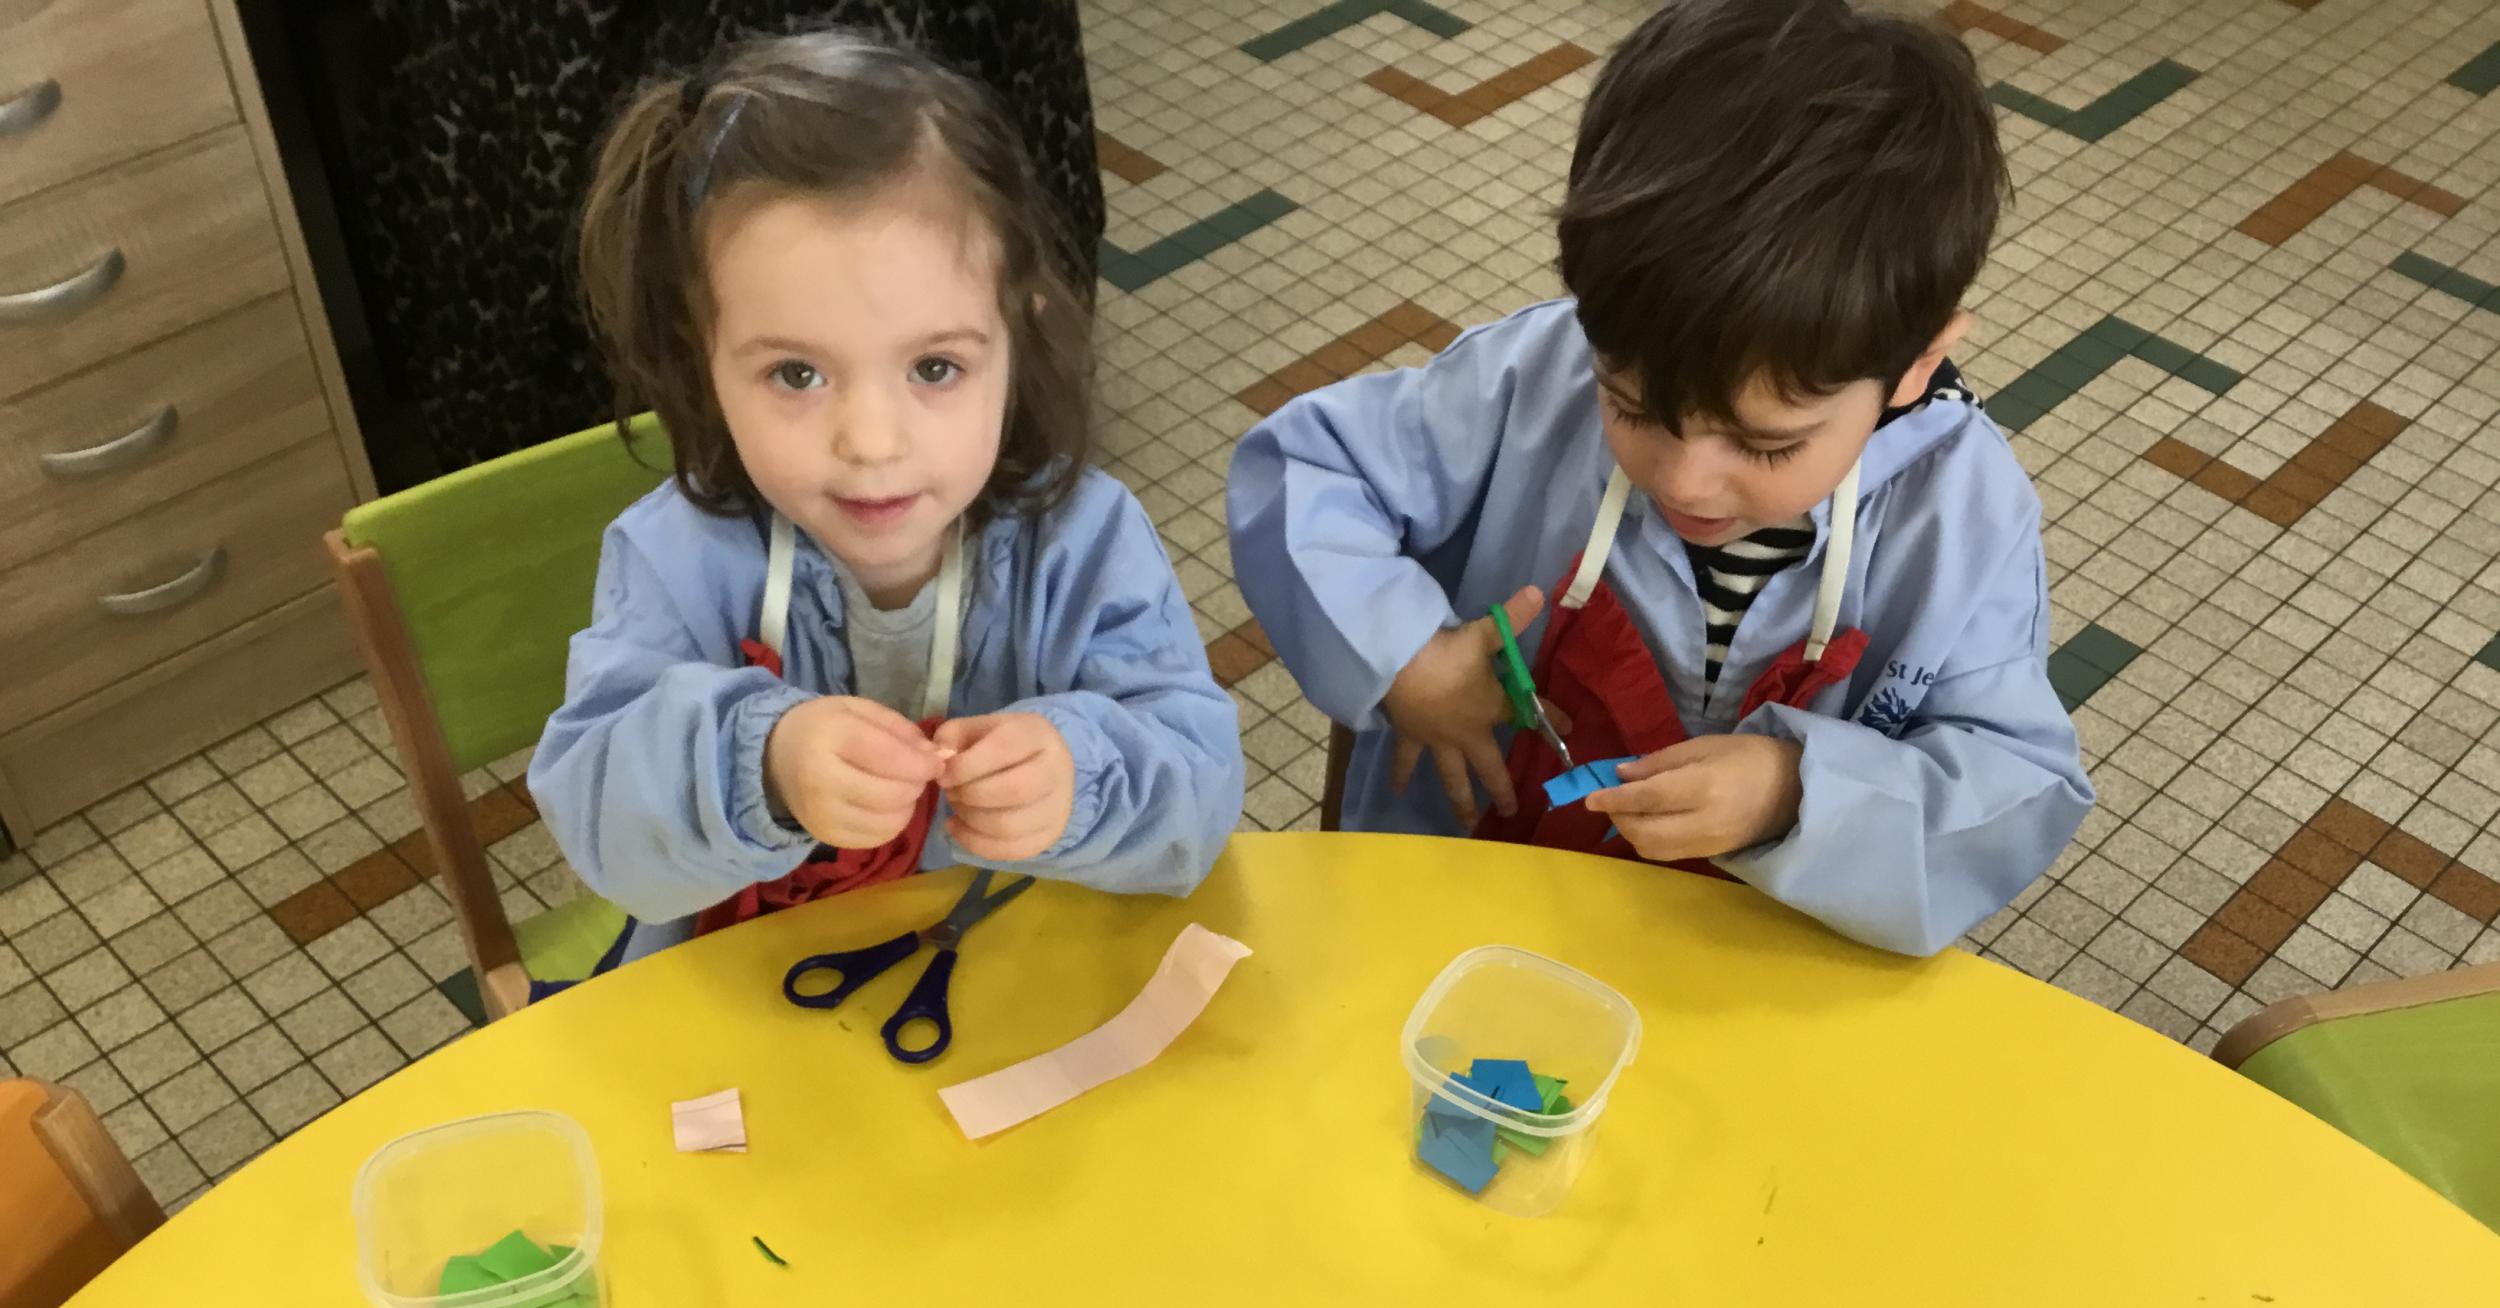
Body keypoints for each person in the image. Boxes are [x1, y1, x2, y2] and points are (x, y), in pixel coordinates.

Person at [1227, 0, 2090, 957]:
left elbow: (2014, 782)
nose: (1685, 482)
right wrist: (1403, 656)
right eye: (1631, 408)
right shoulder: (1527, 379)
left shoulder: (1963, 514)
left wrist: (1796, 792)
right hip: (1451, 913)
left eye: (1765, 446)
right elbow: (1301, 470)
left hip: (1756, 961)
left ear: (1918, 363)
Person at [532, 31, 1241, 964]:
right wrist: (764, 765)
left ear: (1017, 339)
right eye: (795, 374)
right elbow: (597, 821)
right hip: (747, 986)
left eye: (935, 367)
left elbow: (1201, 794)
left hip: (1017, 972)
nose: (871, 443)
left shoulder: (1086, 543)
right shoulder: (674, 558)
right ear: (703, 361)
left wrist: (1083, 776)